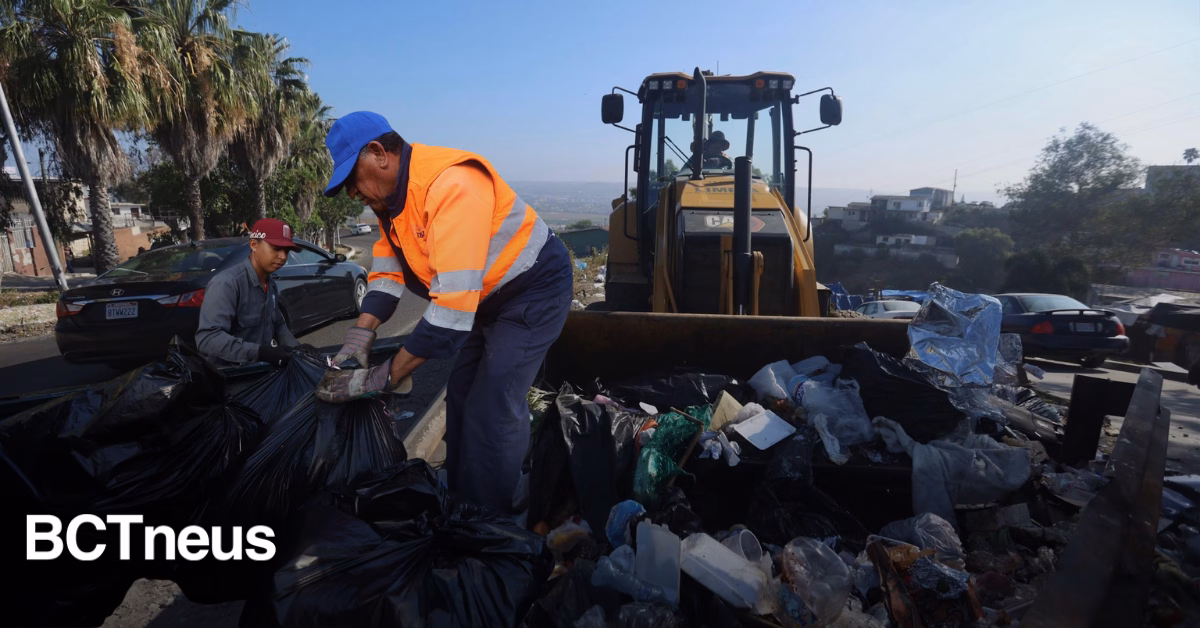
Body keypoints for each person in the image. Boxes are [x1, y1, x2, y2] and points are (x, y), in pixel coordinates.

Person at [316, 111, 573, 515]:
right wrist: (359, 336)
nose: (352, 193)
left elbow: (450, 315)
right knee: (461, 393)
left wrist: (386, 375)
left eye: (352, 178)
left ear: (379, 153)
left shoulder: (451, 185)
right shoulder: (391, 206)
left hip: (532, 291)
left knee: (494, 402)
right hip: (487, 299)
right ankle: (460, 498)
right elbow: (386, 274)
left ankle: (490, 522)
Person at [196, 218, 301, 368]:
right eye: (276, 248)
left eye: (286, 251)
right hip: (229, 381)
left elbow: (278, 325)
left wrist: (297, 349)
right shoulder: (228, 284)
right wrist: (259, 353)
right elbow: (208, 339)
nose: (283, 256)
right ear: (254, 245)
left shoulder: (270, 285)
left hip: (259, 374)